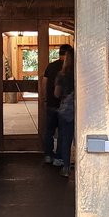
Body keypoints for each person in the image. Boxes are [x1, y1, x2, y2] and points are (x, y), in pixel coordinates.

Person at [42, 43, 72, 164]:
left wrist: (44, 97)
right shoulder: (69, 69)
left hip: (51, 103)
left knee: (49, 130)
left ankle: (48, 155)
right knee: (62, 132)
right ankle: (59, 157)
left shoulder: (51, 66)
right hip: (64, 106)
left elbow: (44, 82)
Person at [53, 46, 76, 177]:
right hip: (81, 109)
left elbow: (56, 93)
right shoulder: (80, 73)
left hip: (66, 110)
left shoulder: (62, 75)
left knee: (66, 139)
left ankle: (66, 167)